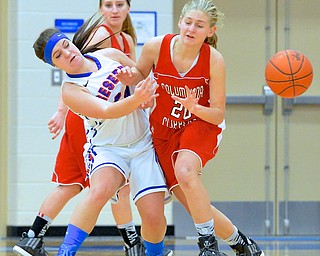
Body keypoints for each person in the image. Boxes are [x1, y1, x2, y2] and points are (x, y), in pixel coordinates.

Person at [13, 1, 166, 256]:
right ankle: (66, 251)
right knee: (100, 190)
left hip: (141, 143)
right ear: (55, 65)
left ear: (72, 42)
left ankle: (152, 252)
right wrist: (137, 99)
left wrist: (141, 88)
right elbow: (107, 111)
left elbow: (143, 80)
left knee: (152, 215)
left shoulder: (110, 55)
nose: (67, 54)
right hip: (108, 149)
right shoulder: (71, 90)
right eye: (58, 56)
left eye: (66, 46)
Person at [116, 0, 265, 256]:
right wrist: (131, 78)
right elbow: (139, 74)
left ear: (211, 31)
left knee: (185, 171)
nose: (191, 29)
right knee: (190, 200)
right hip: (163, 129)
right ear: (179, 22)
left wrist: (194, 107)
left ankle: (208, 246)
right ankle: (242, 243)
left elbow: (217, 115)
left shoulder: (213, 60)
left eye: (199, 25)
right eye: (188, 22)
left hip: (200, 123)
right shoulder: (155, 46)